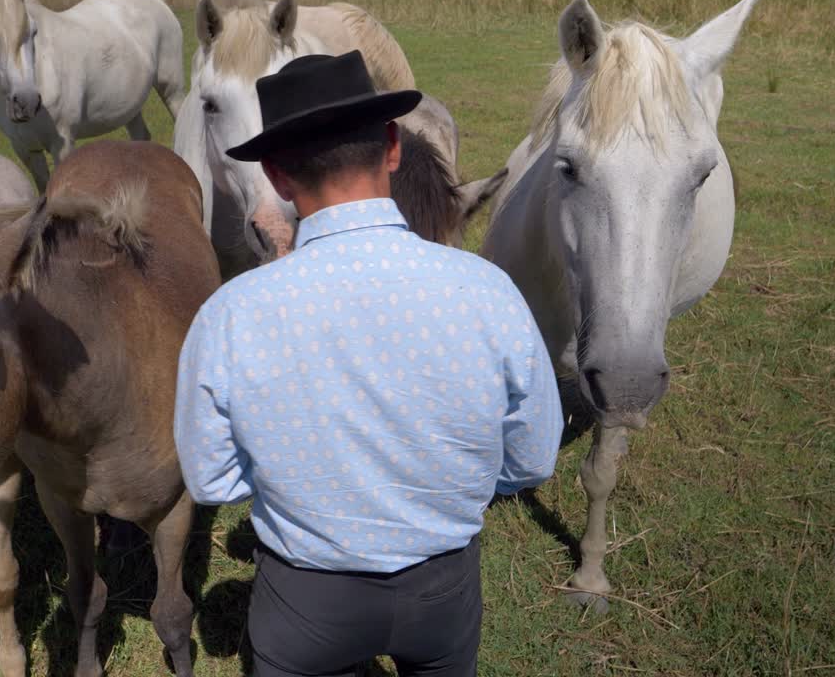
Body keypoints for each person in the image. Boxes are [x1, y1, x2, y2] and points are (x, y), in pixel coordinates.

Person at [174, 51, 562, 676]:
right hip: (445, 589)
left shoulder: (231, 313)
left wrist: (299, 483)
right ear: (391, 146)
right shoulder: (488, 290)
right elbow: (532, 458)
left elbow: (212, 480)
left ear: (274, 174)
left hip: (305, 600)